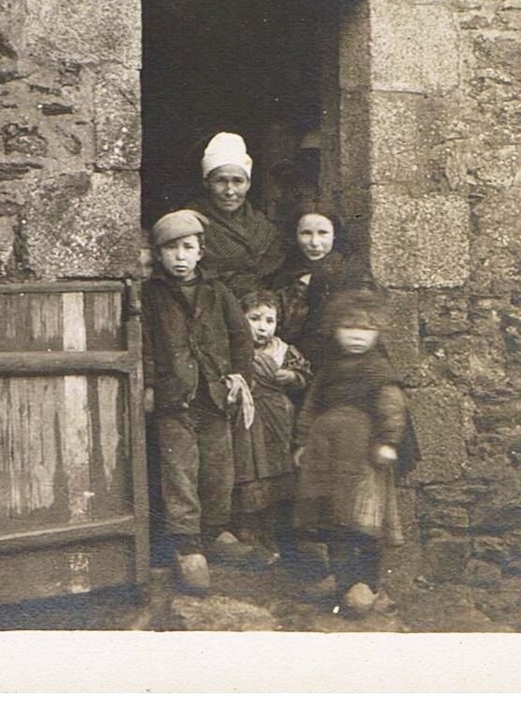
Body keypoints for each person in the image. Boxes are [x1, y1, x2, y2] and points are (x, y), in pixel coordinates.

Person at [139, 208, 257, 593]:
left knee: (218, 471)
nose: (180, 256)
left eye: (187, 247)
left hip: (214, 395)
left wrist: (240, 376)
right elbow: (147, 345)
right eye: (170, 249)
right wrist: (151, 386)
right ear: (158, 255)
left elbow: (241, 337)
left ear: (201, 251)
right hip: (175, 398)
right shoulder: (152, 296)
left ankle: (215, 532)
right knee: (180, 473)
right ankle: (187, 546)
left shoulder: (217, 292)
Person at [291, 288, 409, 618]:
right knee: (332, 517)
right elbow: (312, 404)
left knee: (361, 520)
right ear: (335, 330)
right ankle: (341, 580)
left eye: (365, 329)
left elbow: (393, 407)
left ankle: (365, 584)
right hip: (326, 455)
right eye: (348, 328)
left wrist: (388, 442)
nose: (356, 336)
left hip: (362, 460)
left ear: (377, 333)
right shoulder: (329, 369)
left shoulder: (378, 370)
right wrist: (302, 442)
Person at [229, 289, 312, 566]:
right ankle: (249, 534)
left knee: (278, 473)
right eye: (254, 319)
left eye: (269, 320)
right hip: (248, 421)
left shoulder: (283, 351)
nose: (262, 327)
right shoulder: (235, 350)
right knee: (250, 472)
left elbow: (304, 378)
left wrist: (291, 376)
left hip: (278, 419)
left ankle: (276, 535)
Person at [267, 205, 371, 365]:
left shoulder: (350, 274)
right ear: (295, 235)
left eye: (323, 233)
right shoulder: (284, 273)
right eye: (306, 233)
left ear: (335, 235)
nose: (314, 243)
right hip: (293, 363)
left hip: (337, 362)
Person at [189, 132, 285, 300]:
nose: (230, 191)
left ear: (248, 184)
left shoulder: (264, 227)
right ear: (206, 183)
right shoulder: (190, 224)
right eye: (221, 181)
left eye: (238, 181)